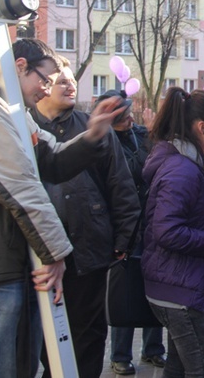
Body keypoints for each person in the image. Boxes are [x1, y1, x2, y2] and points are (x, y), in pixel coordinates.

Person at [0, 38, 122, 377]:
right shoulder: (1, 113)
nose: (47, 89)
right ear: (20, 66)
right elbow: (23, 188)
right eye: (46, 79)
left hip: (17, 265)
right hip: (4, 270)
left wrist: (93, 135)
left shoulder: (15, 114)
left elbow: (49, 159)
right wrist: (55, 255)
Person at [32, 59, 140, 378]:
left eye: (72, 81)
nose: (69, 85)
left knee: (88, 336)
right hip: (38, 258)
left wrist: (123, 239)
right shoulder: (23, 127)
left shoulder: (92, 126)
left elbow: (120, 184)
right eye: (60, 80)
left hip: (87, 252)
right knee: (44, 341)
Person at [141, 87, 204, 377]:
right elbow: (167, 231)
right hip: (182, 291)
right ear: (202, 127)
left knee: (179, 368)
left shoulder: (195, 163)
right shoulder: (182, 169)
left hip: (182, 286)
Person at [101, 90, 167, 375]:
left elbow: (153, 165)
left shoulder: (143, 135)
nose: (130, 117)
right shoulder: (102, 142)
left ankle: (153, 350)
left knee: (154, 288)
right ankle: (120, 355)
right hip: (122, 228)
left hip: (150, 223)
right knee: (125, 293)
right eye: (123, 113)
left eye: (129, 111)